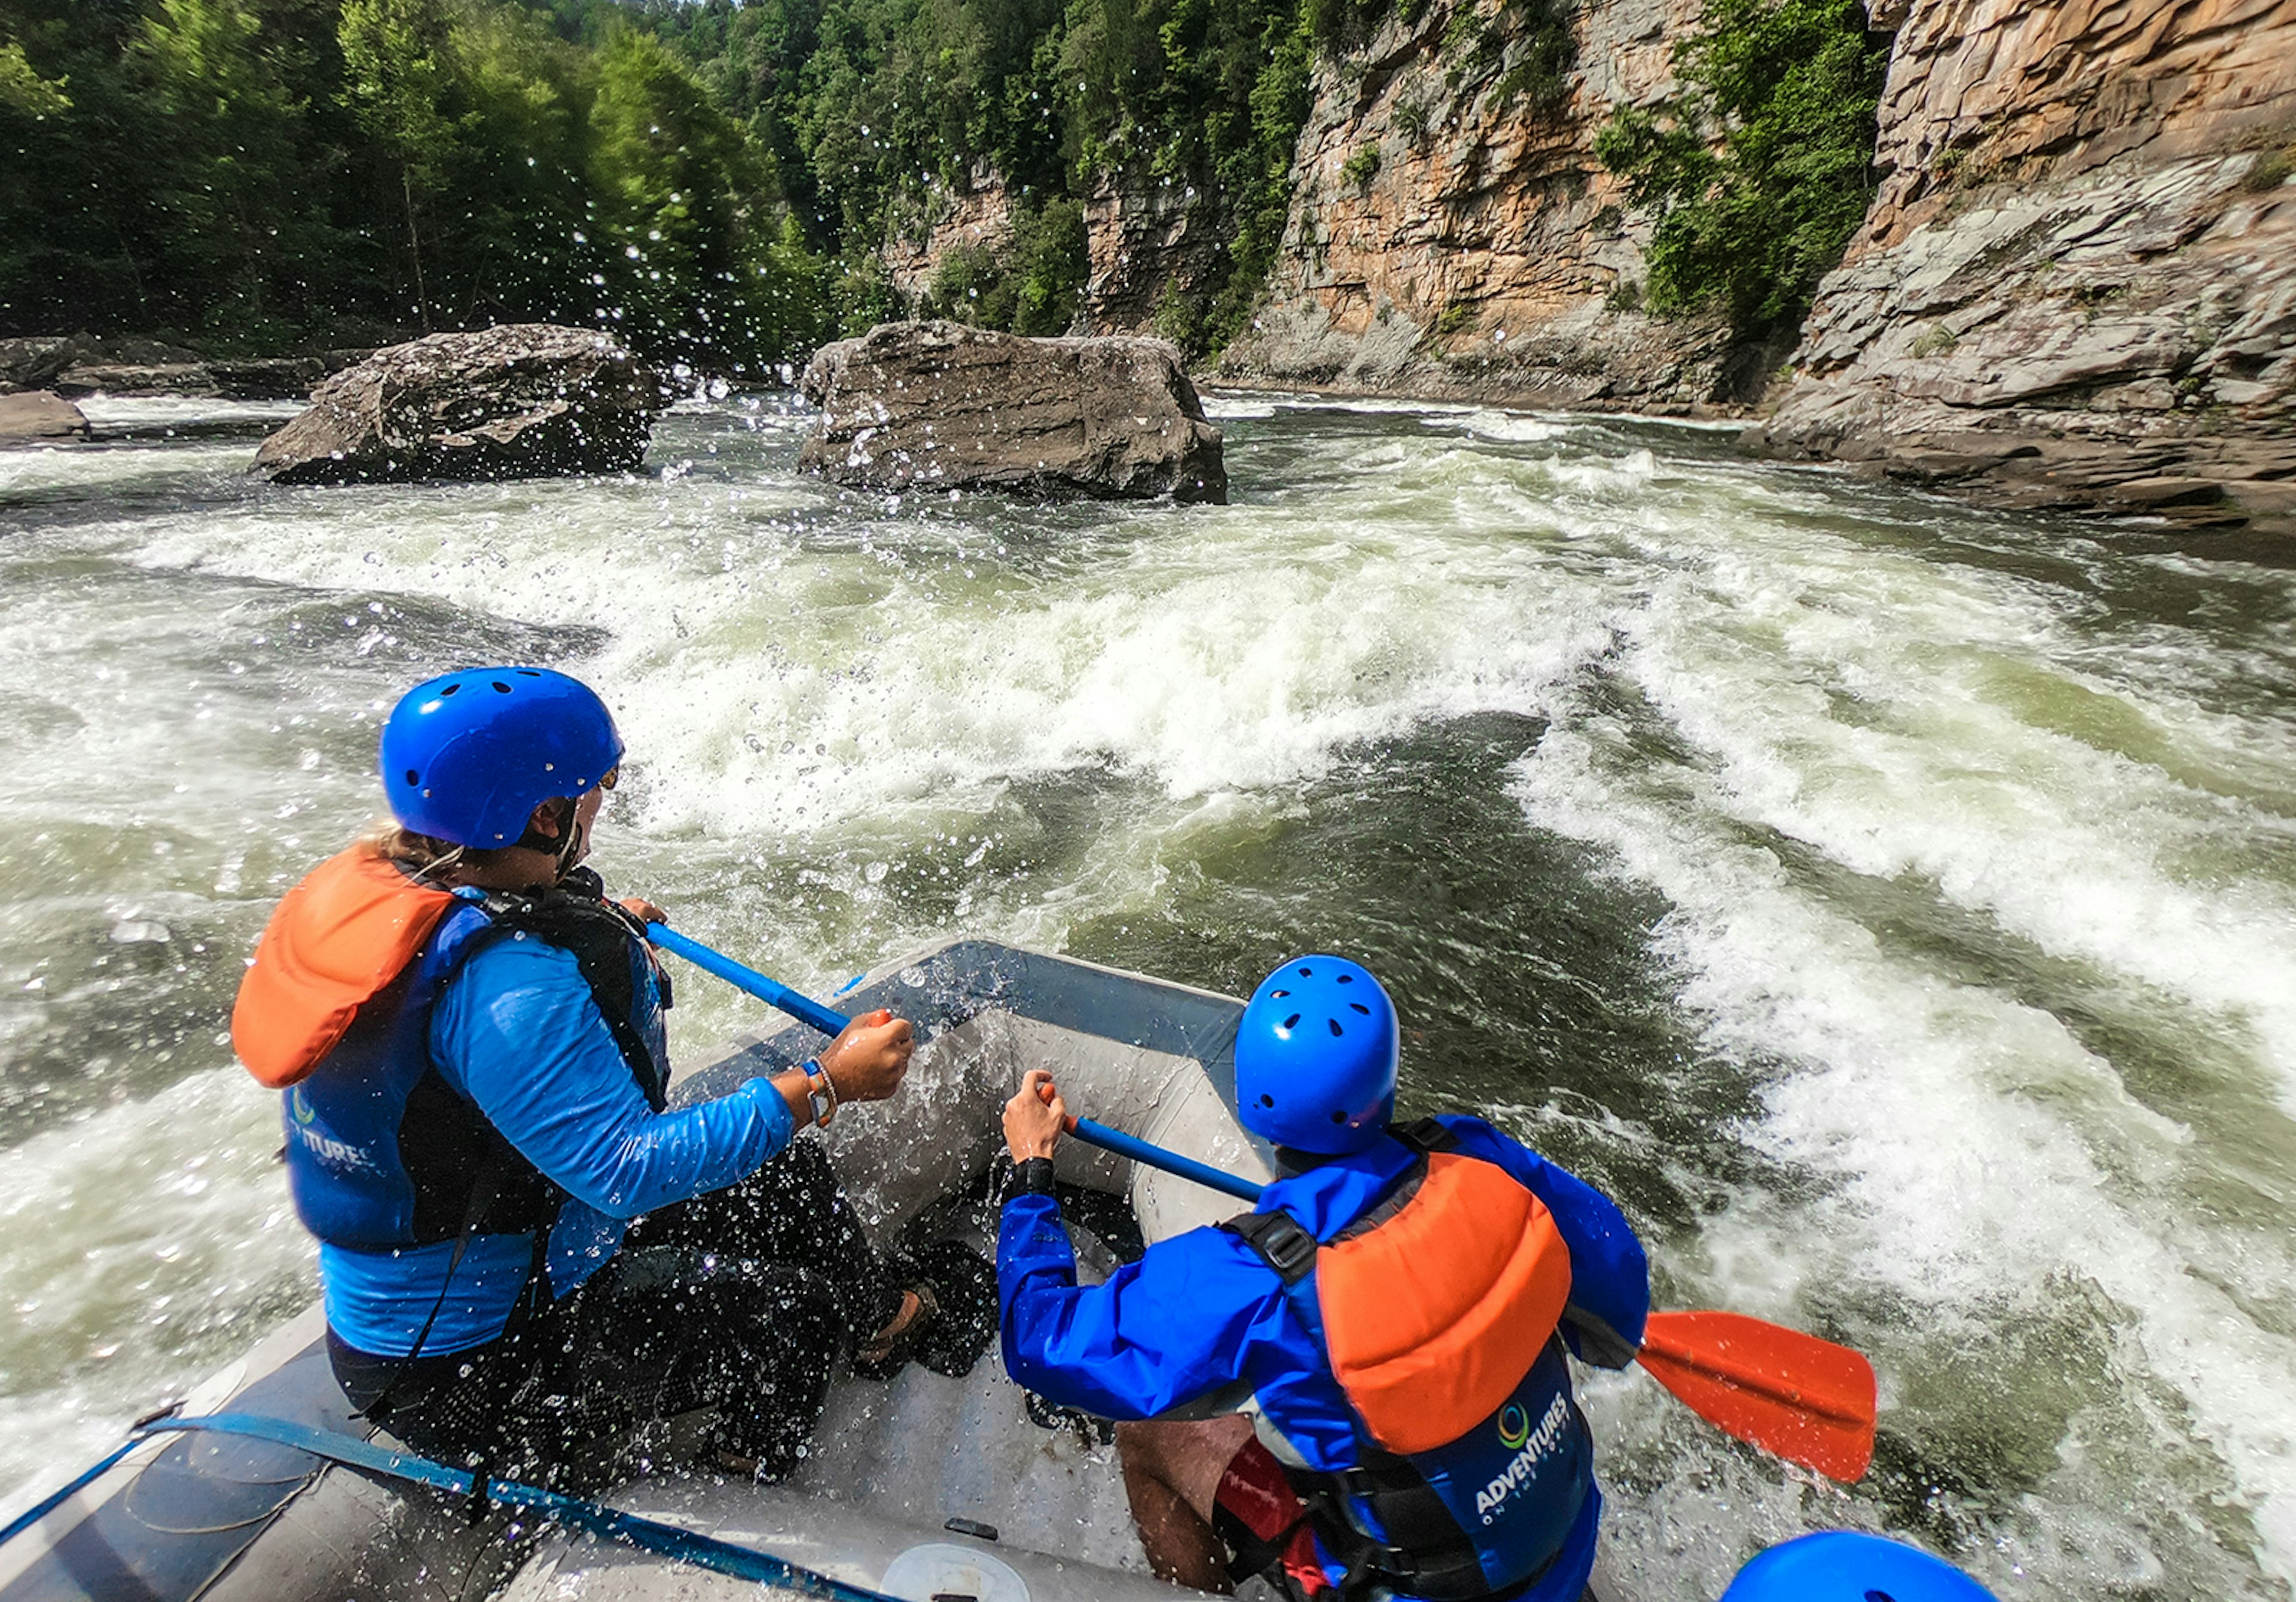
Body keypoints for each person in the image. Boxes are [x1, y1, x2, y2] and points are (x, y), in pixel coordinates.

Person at [232, 665, 985, 1485]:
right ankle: (744, 1472)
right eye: (599, 787)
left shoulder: (413, 885)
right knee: (790, 1318)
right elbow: (625, 1169)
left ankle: (884, 1319)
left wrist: (597, 924)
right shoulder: (509, 987)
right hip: (475, 1371)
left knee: (786, 1171)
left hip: (512, 1267)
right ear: (544, 815)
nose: (603, 801)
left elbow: (492, 983)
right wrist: (827, 1084)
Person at [996, 954, 1650, 1602]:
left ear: (1255, 1100)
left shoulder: (1256, 1279)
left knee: (1149, 1437)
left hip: (1406, 1593)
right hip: (1560, 1557)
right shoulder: (1479, 1156)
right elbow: (1617, 1322)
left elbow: (1041, 1343)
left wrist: (1032, 1170)